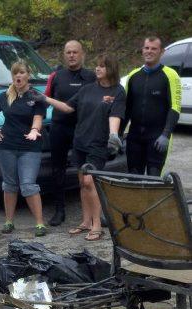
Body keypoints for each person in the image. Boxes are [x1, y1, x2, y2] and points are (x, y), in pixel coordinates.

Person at [41, 54, 126, 241]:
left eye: (102, 66)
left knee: (90, 182)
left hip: (98, 144)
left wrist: (113, 135)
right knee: (82, 182)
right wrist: (44, 99)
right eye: (97, 66)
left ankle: (97, 225)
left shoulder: (117, 91)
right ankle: (86, 221)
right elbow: (67, 107)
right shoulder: (87, 89)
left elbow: (115, 116)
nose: (97, 69)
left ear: (111, 69)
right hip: (80, 142)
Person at [0, 60, 47, 237]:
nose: (18, 76)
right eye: (15, 73)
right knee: (9, 184)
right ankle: (9, 221)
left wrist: (34, 130)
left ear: (28, 75)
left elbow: (38, 118)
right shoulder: (5, 96)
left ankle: (39, 223)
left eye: (21, 73)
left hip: (30, 147)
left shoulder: (35, 96)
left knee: (28, 185)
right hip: (6, 147)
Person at [44, 40, 95, 226]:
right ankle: (59, 210)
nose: (72, 55)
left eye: (75, 52)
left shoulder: (91, 77)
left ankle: (93, 213)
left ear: (82, 54)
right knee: (58, 169)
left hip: (82, 129)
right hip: (59, 128)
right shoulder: (56, 76)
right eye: (68, 52)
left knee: (88, 171)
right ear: (64, 55)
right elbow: (45, 99)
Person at [124, 36, 181, 176]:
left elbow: (175, 107)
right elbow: (125, 108)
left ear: (162, 52)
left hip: (157, 137)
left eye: (154, 48)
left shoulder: (170, 75)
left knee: (153, 180)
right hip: (134, 137)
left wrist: (166, 135)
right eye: (146, 48)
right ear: (142, 50)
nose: (149, 51)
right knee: (133, 178)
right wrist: (119, 134)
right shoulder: (133, 76)